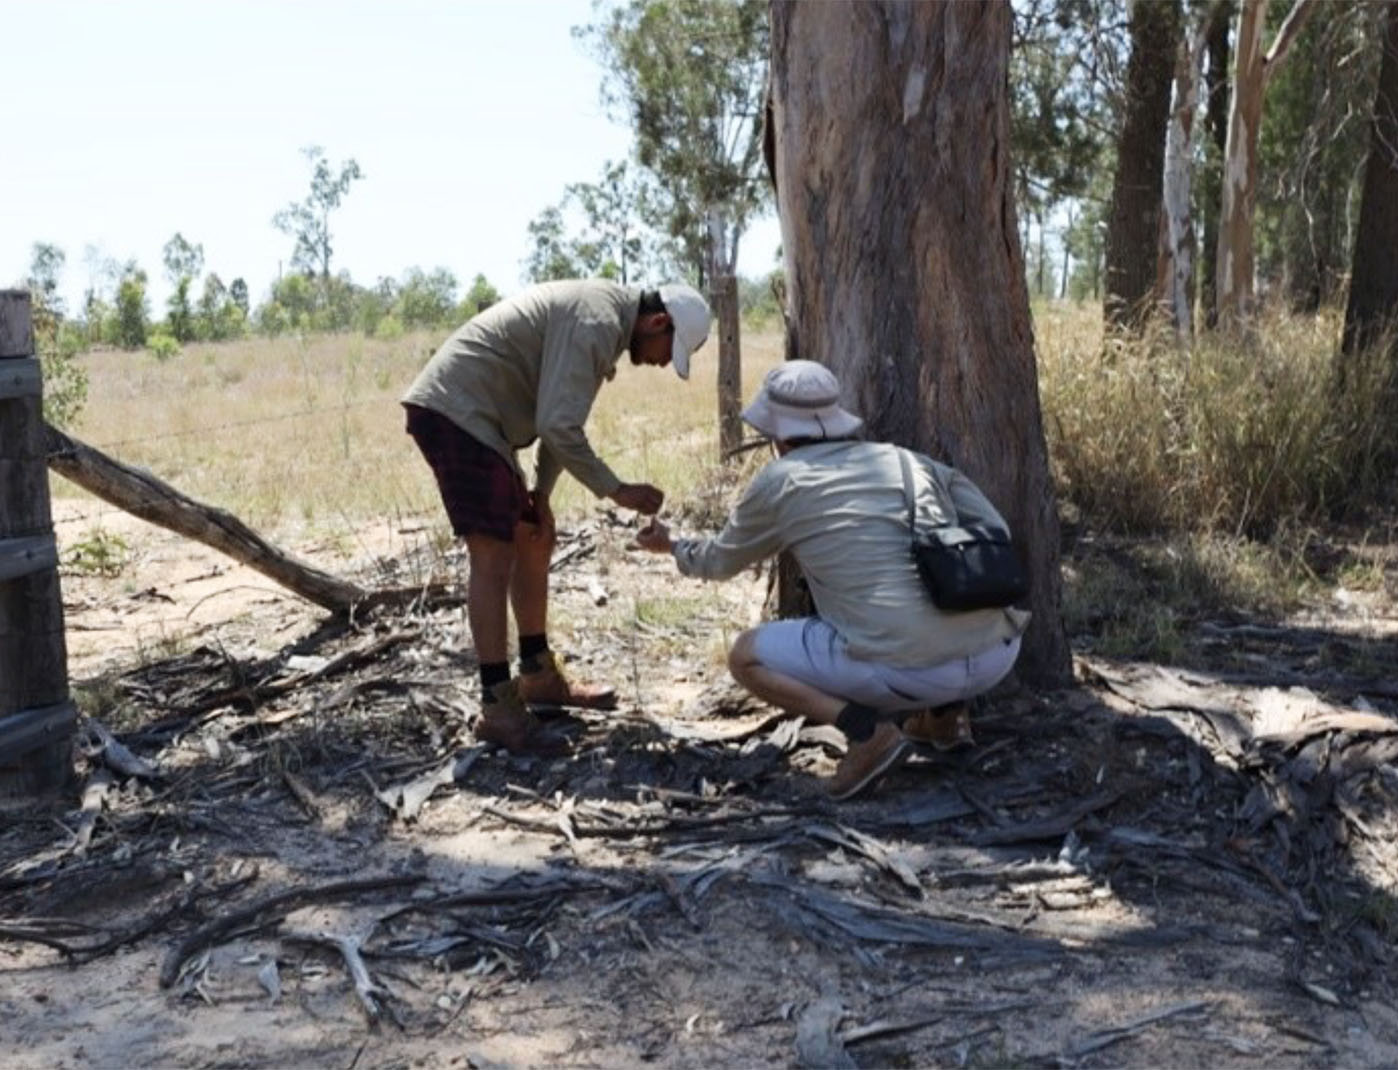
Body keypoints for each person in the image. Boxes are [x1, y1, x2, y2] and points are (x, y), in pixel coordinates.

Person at [636, 360, 1028, 799]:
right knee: (920, 605)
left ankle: (866, 735)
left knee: (745, 657)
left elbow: (721, 562)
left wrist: (672, 547)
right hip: (996, 653)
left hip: (904, 670)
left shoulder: (781, 479)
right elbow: (995, 529)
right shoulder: (906, 461)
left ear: (778, 436)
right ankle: (947, 718)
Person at [403, 279, 712, 755]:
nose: (661, 362)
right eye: (668, 351)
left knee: (532, 537)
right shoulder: (597, 320)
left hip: (482, 422)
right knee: (493, 555)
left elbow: (558, 418)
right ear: (657, 322)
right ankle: (498, 708)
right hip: (459, 412)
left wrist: (540, 497)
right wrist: (617, 490)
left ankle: (538, 676)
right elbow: (556, 425)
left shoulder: (604, 321)